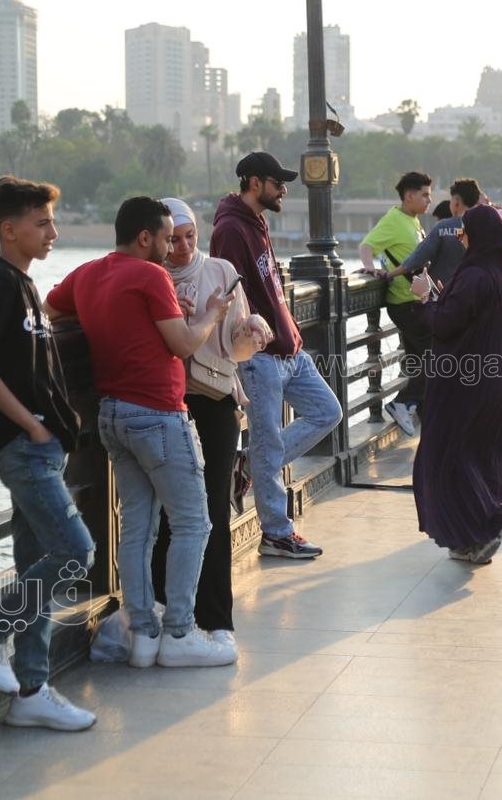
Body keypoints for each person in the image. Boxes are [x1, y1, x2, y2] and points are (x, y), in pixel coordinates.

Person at [45, 196, 238, 669]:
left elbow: (51, 308)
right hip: (159, 414)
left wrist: (116, 323)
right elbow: (184, 344)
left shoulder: (88, 273)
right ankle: (179, 633)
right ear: (145, 237)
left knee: (137, 527)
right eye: (167, 239)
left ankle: (144, 635)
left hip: (112, 414)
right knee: (194, 522)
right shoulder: (151, 276)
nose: (172, 249)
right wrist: (212, 314)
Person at [0, 175, 96, 730]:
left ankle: (32, 690)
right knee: (76, 553)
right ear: (9, 230)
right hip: (23, 448)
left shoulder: (26, 284)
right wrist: (31, 427)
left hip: (42, 447)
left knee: (37, 566)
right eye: (42, 223)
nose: (53, 232)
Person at [210, 151, 342, 560]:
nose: (284, 189)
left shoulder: (256, 222)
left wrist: (290, 331)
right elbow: (231, 292)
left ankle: (249, 465)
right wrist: (252, 336)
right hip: (259, 355)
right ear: (255, 183)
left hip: (289, 349)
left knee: (327, 412)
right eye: (277, 183)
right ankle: (277, 534)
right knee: (268, 441)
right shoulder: (230, 229)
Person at [150, 197, 267, 655]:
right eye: (173, 239)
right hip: (167, 405)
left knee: (213, 508)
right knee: (166, 511)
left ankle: (215, 618)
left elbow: (236, 347)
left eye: (189, 237)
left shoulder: (220, 272)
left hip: (216, 402)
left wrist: (250, 330)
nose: (182, 248)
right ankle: (163, 612)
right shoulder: (150, 279)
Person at [412, 205, 502, 564]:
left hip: (470, 379)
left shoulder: (474, 274)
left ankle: (494, 518)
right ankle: (475, 537)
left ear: (477, 235)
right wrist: (446, 296)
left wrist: (425, 298)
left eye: (464, 232)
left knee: (451, 456)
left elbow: (445, 324)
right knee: (486, 453)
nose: (461, 238)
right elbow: (478, 315)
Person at [358, 171, 433, 435]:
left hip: (417, 301)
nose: (429, 200)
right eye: (425, 195)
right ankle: (402, 402)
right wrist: (369, 268)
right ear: (409, 195)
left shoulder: (413, 221)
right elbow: (367, 246)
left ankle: (421, 414)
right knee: (435, 358)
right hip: (405, 303)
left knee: (419, 359)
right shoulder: (393, 219)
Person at [389, 177, 478, 290]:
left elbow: (418, 258)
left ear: (456, 201)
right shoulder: (481, 227)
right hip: (474, 289)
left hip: (444, 292)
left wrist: (389, 274)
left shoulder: (443, 227)